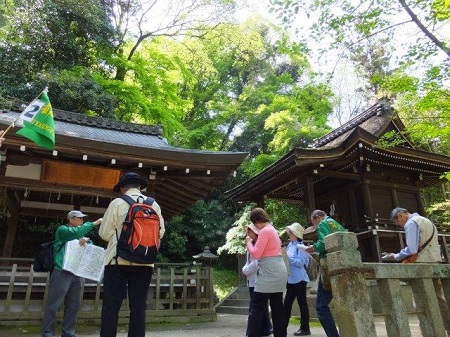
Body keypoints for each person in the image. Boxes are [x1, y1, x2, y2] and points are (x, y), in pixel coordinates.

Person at [99, 171, 165, 337]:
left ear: (122, 189)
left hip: (117, 261)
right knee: (138, 306)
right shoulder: (153, 204)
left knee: (111, 306)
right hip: (145, 261)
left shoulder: (117, 203)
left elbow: (105, 233)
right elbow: (160, 232)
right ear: (140, 187)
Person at [386, 207, 450, 334]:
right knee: (438, 298)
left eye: (397, 222)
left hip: (421, 264)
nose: (398, 225)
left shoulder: (411, 223)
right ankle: (448, 327)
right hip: (434, 262)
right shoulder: (425, 220)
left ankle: (429, 332)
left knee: (420, 301)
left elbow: (412, 249)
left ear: (400, 216)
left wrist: (397, 256)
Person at [41, 210, 102, 337]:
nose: (82, 221)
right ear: (71, 219)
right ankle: (47, 333)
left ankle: (69, 333)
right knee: (53, 305)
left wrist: (86, 241)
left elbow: (90, 245)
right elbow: (75, 233)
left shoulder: (80, 234)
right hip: (61, 271)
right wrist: (95, 223)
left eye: (82, 219)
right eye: (79, 218)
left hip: (77, 272)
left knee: (73, 305)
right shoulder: (63, 230)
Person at [246, 207, 287, 337]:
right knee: (277, 308)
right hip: (279, 269)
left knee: (256, 308)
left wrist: (248, 244)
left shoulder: (265, 231)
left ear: (257, 221)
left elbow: (257, 254)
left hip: (268, 270)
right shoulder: (274, 230)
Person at [302, 210, 345, 337]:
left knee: (321, 307)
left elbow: (324, 242)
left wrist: (312, 248)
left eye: (313, 222)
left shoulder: (323, 223)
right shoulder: (338, 225)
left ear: (318, 217)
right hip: (342, 264)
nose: (315, 225)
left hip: (329, 267)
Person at [242, 223, 273, 337]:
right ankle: (265, 329)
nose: (248, 234)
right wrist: (245, 268)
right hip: (252, 280)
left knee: (255, 307)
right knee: (261, 307)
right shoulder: (251, 245)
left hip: (257, 279)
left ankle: (253, 332)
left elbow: (256, 263)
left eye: (250, 231)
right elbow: (249, 262)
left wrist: (245, 270)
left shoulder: (257, 245)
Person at [283, 222, 311, 336]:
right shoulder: (289, 245)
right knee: (287, 304)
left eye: (291, 232)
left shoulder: (301, 246)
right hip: (290, 279)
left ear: (295, 234)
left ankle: (305, 329)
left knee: (302, 304)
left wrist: (287, 257)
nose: (288, 233)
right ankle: (281, 327)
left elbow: (300, 263)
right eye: (289, 231)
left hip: (300, 279)